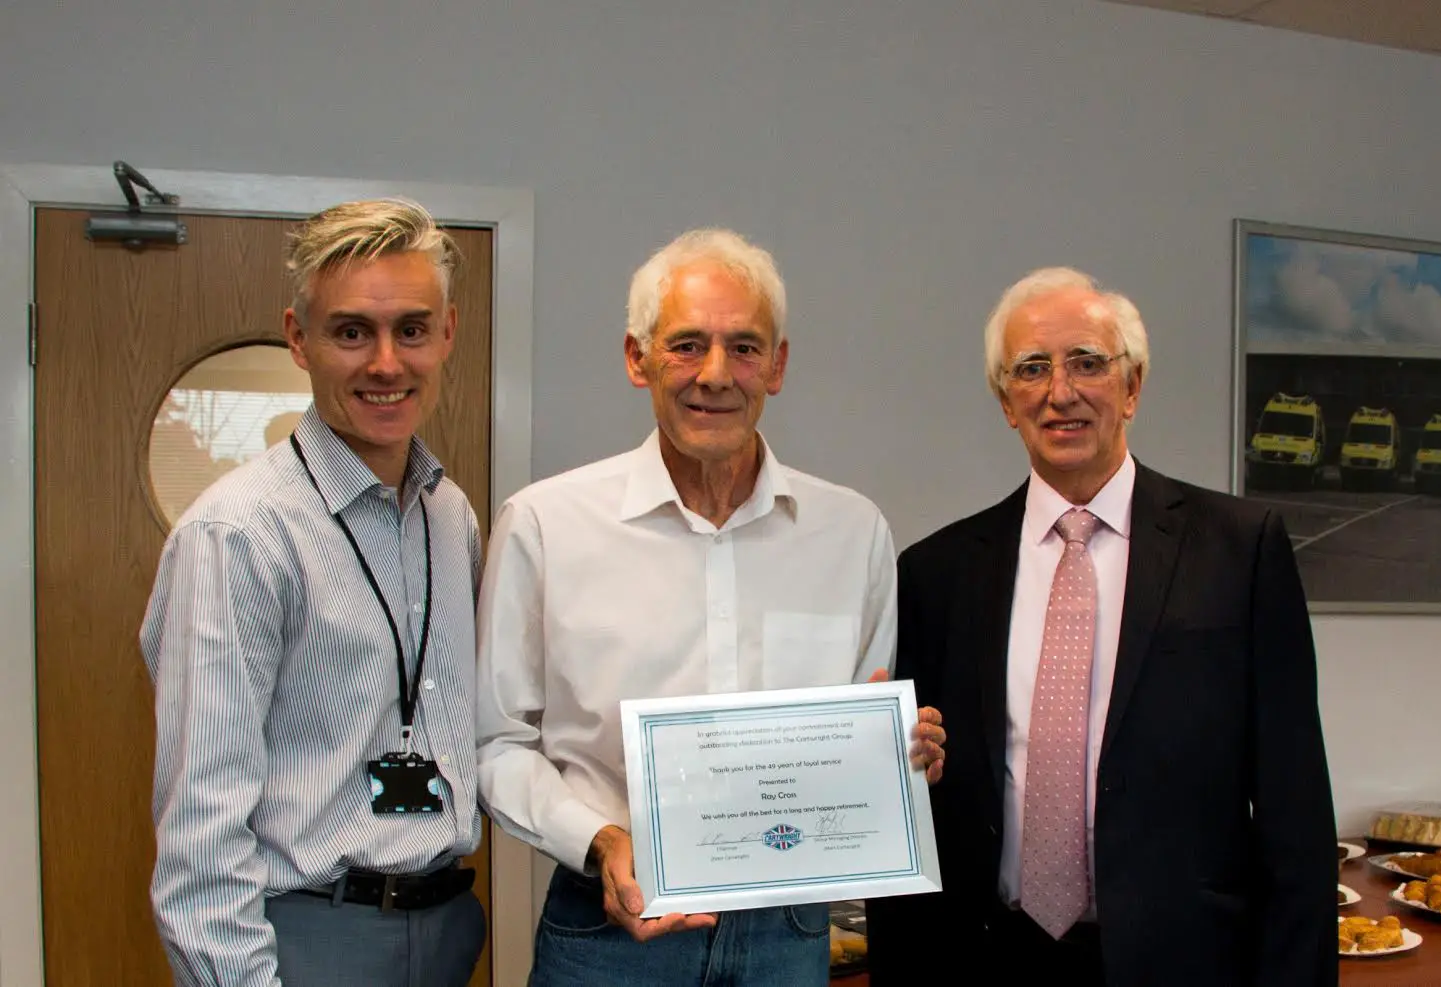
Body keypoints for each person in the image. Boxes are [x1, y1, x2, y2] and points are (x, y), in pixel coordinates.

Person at [475, 228, 945, 987]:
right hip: (609, 929)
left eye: (745, 347)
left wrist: (897, 755)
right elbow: (494, 743)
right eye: (687, 344)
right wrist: (601, 840)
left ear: (779, 365)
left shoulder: (851, 532)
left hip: (790, 933)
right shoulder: (543, 525)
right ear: (638, 357)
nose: (716, 374)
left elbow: (857, 731)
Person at [866, 267, 1335, 986]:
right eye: (1031, 369)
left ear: (1132, 385)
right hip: (989, 956)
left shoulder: (1239, 550)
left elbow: (1294, 807)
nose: (1061, 391)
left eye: (1087, 362)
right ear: (1004, 400)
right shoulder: (935, 572)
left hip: (1185, 959)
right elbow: (916, 793)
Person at [142, 198, 486, 987]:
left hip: (444, 930)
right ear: (299, 338)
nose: (386, 364)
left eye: (411, 329)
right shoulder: (238, 534)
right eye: (351, 331)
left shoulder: (447, 514)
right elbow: (201, 832)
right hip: (306, 936)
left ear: (447, 333)